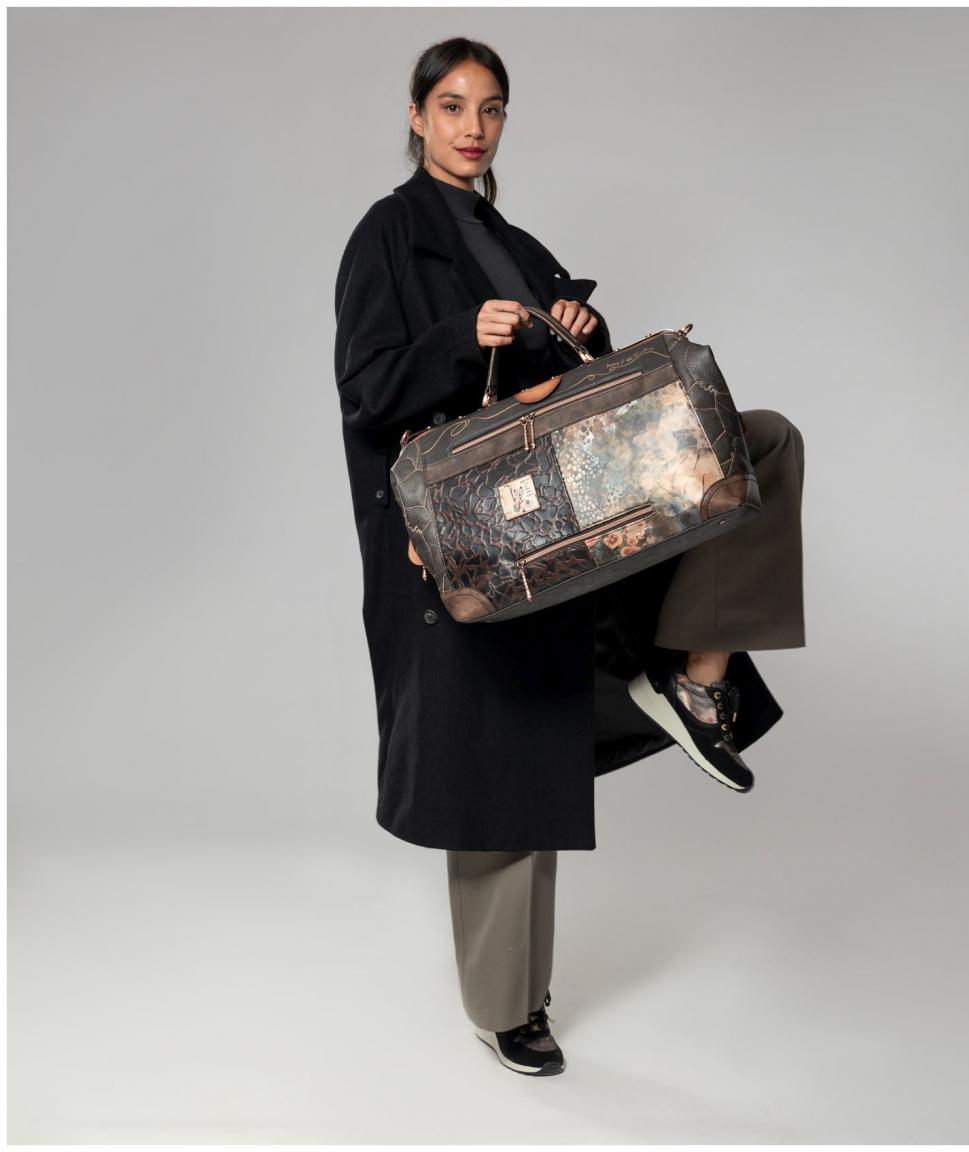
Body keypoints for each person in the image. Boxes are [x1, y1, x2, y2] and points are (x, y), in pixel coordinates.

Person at [332, 37, 805, 1077]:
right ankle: (507, 1006)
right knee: (502, 762)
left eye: (491, 108)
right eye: (451, 105)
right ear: (415, 116)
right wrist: (466, 333)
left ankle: (693, 679)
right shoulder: (388, 234)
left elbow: (558, 399)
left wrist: (577, 326)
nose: (472, 127)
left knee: (756, 443)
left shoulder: (520, 244)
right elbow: (365, 389)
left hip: (552, 517)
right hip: (463, 539)